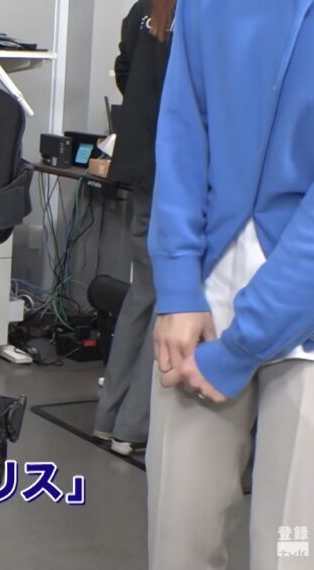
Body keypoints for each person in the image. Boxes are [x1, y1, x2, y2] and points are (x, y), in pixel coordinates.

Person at [146, 2, 314, 569]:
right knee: (177, 544)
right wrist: (176, 284)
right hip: (199, 315)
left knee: (293, 551)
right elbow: (181, 133)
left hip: (303, 326)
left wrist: (247, 342)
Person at [91, 0, 174, 457]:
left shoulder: (146, 7)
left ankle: (109, 418)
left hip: (142, 162)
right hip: (178, 170)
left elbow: (125, 72)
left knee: (143, 293)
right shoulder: (205, 12)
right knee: (168, 298)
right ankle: (134, 426)